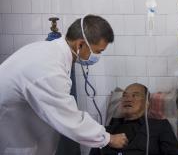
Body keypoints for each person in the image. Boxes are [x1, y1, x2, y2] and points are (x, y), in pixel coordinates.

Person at [0, 14, 128, 155]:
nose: (97, 57)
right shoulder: (49, 69)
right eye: (98, 51)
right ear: (80, 44)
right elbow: (70, 118)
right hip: (13, 139)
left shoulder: (47, 52)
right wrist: (108, 138)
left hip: (25, 131)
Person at [90, 83, 178, 155]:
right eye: (125, 96)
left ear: (147, 104)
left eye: (135, 95)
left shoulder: (160, 127)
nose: (128, 99)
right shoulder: (105, 131)